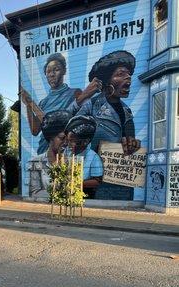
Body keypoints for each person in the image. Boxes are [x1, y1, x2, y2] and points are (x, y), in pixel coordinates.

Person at [68, 50, 141, 200]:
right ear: (106, 82)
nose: (128, 77)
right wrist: (84, 96)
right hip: (95, 178)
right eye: (120, 74)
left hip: (120, 181)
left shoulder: (127, 111)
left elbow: (129, 140)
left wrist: (132, 144)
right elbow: (66, 122)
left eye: (129, 74)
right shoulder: (92, 105)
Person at [21, 53, 102, 154]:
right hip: (44, 152)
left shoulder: (75, 93)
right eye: (48, 71)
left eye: (56, 69)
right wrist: (28, 104)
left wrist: (31, 102)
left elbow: (61, 122)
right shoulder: (43, 102)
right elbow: (35, 131)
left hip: (64, 152)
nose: (51, 74)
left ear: (64, 71)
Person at [28, 110, 71, 198]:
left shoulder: (72, 162)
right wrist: (59, 194)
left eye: (68, 139)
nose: (66, 142)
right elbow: (34, 193)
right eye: (62, 138)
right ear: (50, 137)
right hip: (44, 209)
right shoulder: (36, 162)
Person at [64, 115, 103, 198]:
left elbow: (97, 181)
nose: (68, 144)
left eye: (71, 141)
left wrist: (77, 183)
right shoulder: (67, 153)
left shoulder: (93, 157)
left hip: (85, 195)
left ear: (85, 141)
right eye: (67, 140)